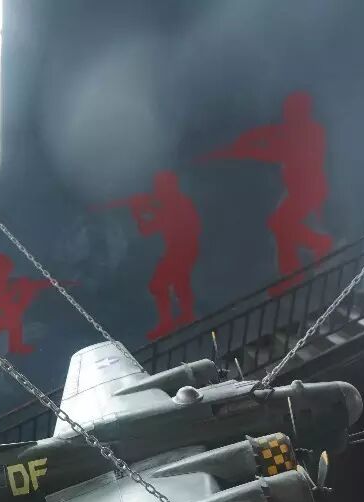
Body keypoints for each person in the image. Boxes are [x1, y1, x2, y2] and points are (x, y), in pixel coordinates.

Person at [203, 92, 332, 294]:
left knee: (279, 224)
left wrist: (249, 151)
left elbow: (280, 151)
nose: (286, 114)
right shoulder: (295, 129)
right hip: (297, 190)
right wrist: (241, 144)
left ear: (301, 110)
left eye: (291, 109)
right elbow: (269, 133)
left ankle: (319, 244)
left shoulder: (312, 132)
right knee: (281, 230)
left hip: (309, 189)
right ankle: (291, 275)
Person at [101, 171, 200, 341]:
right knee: (179, 282)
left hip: (182, 249)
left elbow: (150, 228)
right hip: (180, 249)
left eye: (160, 186)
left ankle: (169, 322)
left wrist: (141, 212)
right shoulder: (173, 204)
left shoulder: (177, 205)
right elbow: (146, 230)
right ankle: (186, 316)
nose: (157, 190)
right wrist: (138, 212)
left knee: (158, 285)